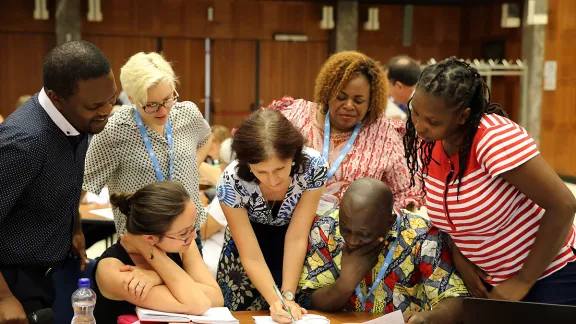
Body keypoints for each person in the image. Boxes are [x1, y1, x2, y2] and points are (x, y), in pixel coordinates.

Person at [404, 57, 576, 305]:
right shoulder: (431, 143)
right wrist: (460, 255)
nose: (419, 126)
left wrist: (523, 280)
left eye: (432, 121)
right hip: (490, 281)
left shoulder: (493, 139)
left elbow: (563, 204)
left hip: (548, 276)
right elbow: (450, 215)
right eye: (415, 112)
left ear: (463, 116)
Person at [0, 40, 116, 321]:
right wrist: (3, 297)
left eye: (112, 98)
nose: (107, 110)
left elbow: (59, 179)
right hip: (13, 280)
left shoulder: (79, 119)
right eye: (96, 105)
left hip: (47, 272)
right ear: (57, 99)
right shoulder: (24, 143)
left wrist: (73, 227)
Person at [83, 52, 211, 249]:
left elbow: (205, 138)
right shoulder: (114, 130)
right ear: (132, 98)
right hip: (142, 243)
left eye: (168, 99)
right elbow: (84, 183)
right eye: (151, 105)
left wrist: (191, 168)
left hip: (188, 236)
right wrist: (73, 229)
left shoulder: (187, 114)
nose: (162, 111)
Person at [269, 51, 423, 213]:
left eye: (358, 100)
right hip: (288, 225)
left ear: (371, 101)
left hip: (353, 234)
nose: (349, 105)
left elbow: (405, 193)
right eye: (341, 97)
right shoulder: (295, 116)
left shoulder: (385, 134)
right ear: (328, 93)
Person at [299, 178, 468, 323]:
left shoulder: (422, 235)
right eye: (345, 229)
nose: (351, 240)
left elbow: (455, 299)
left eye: (363, 234)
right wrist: (345, 284)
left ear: (390, 222)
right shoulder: (326, 227)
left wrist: (429, 318)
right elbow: (313, 300)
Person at [216, 109, 328, 321]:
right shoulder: (230, 182)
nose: (273, 180)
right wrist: (276, 301)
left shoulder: (314, 166)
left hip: (296, 250)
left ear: (294, 155)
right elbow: (250, 253)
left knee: (295, 314)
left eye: (280, 168)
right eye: (261, 172)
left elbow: (297, 234)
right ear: (247, 163)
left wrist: (287, 295)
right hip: (246, 253)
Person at [93, 181, 223, 322]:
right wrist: (153, 254)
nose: (194, 236)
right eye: (184, 232)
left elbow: (216, 297)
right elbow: (199, 303)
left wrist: (157, 276)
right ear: (150, 238)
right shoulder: (113, 270)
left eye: (192, 227)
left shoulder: (183, 244)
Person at [200, 138, 234, 277]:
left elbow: (201, 231)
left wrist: (199, 203)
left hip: (213, 265)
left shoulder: (231, 189)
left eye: (220, 162)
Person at [384, 56, 421, 120]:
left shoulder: (418, 107)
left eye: (388, 85)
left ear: (399, 86)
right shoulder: (419, 98)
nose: (388, 91)